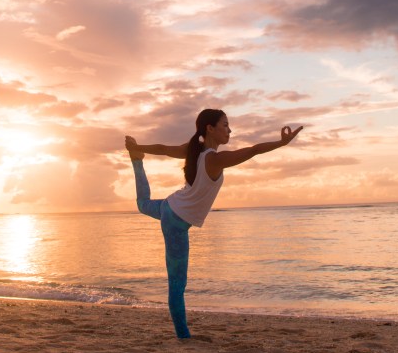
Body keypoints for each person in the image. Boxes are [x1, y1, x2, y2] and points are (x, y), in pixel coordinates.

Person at [124, 109, 303, 339]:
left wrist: (138, 149)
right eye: (225, 125)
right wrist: (281, 143)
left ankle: (137, 162)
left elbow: (162, 149)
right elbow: (254, 150)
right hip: (176, 222)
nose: (230, 130)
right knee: (177, 284)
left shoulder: (195, 151)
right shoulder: (214, 160)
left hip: (170, 206)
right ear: (210, 128)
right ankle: (183, 336)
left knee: (142, 204)